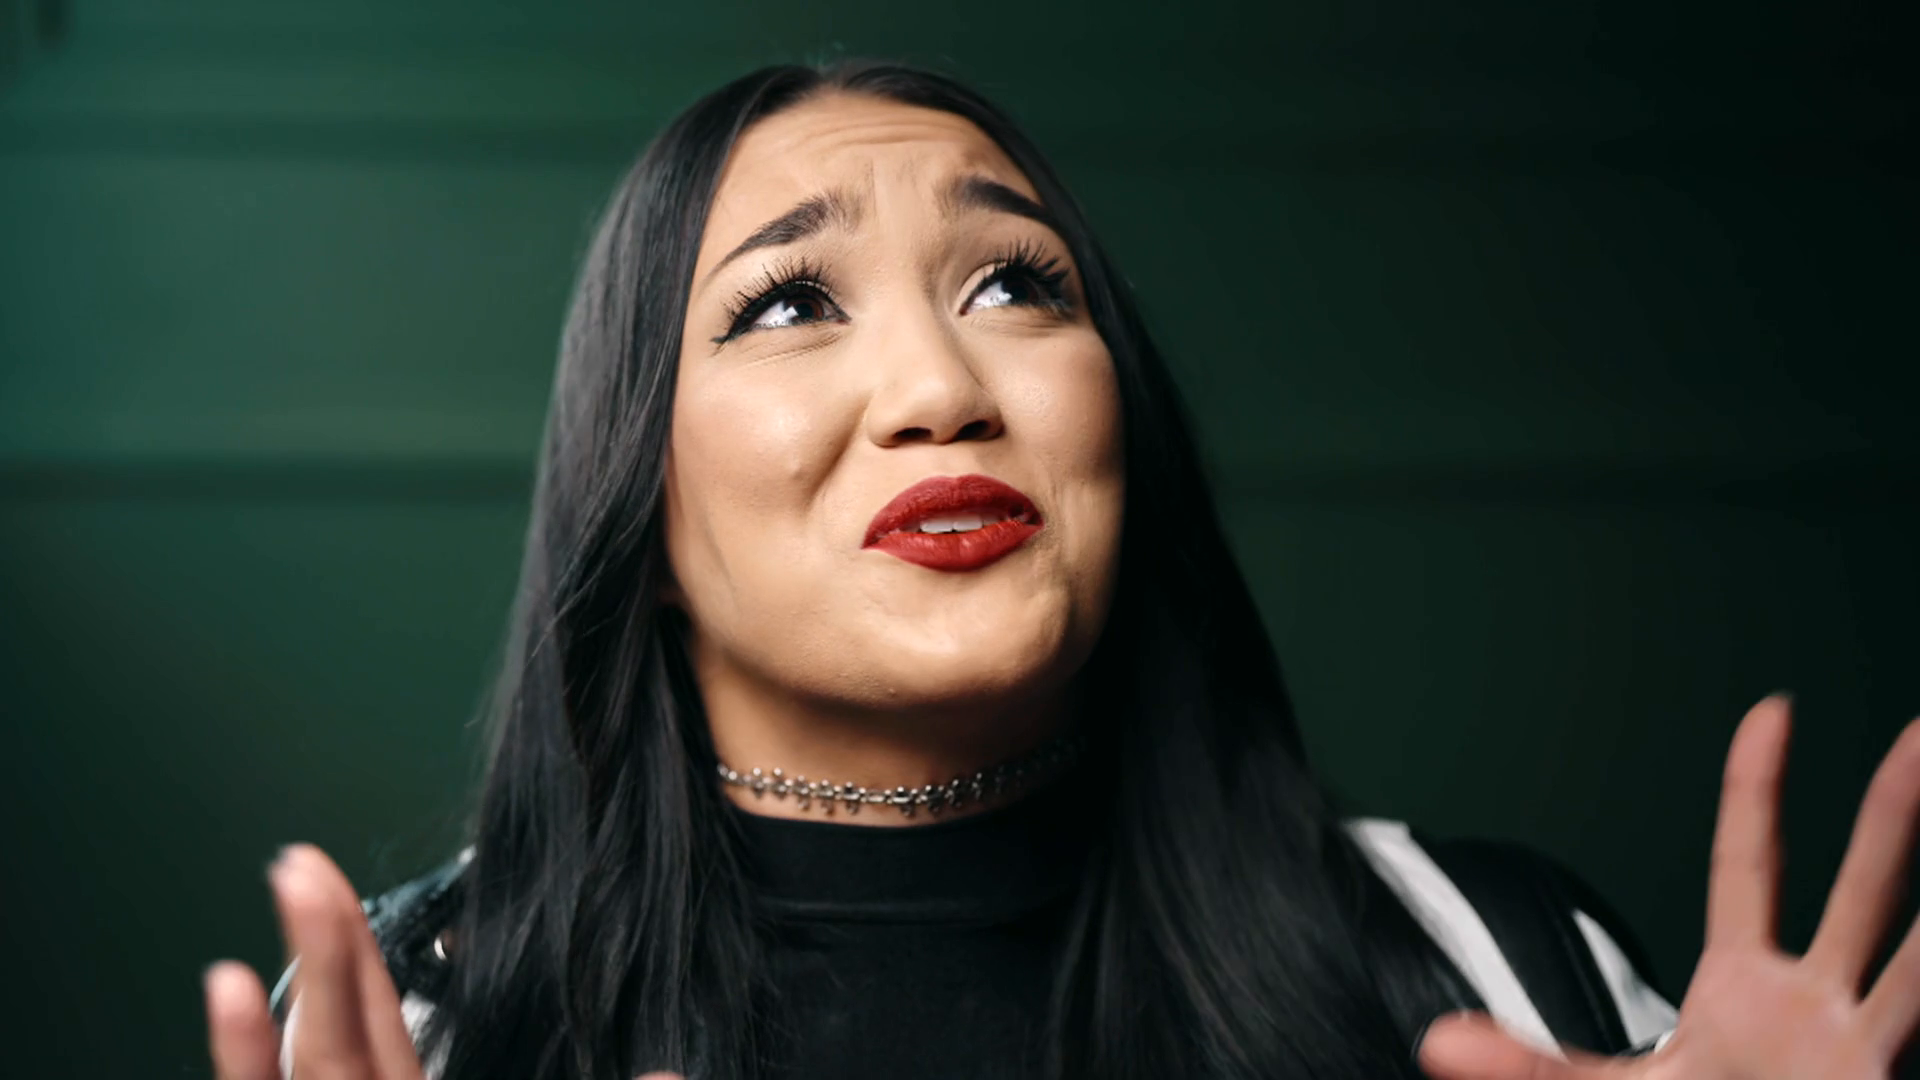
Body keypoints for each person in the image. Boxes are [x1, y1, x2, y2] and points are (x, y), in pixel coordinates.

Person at [200, 62, 1920, 1080]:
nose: (942, 387)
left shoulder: (1488, 963)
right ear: (631, 513)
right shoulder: (415, 1025)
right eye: (788, 305)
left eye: (1015, 285)